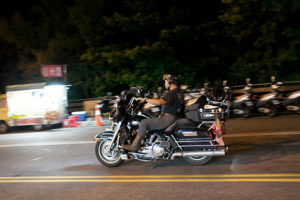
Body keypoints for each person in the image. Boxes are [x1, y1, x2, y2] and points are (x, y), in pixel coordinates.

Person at [122, 73, 183, 152]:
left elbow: (160, 102)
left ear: (170, 81)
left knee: (144, 123)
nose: (165, 83)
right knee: (151, 118)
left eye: (165, 81)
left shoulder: (171, 93)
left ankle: (134, 146)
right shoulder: (178, 92)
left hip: (168, 118)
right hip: (172, 117)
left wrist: (145, 99)